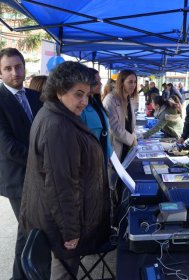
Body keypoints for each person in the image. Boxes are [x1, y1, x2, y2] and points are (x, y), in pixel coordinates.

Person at [19, 61, 110, 280]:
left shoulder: (55, 114)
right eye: (79, 94)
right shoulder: (58, 126)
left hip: (54, 218)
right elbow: (62, 185)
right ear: (60, 91)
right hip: (61, 225)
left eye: (87, 94)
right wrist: (70, 231)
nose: (84, 102)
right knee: (63, 274)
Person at [0, 47, 43, 280]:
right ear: (0, 73)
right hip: (18, 178)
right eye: (8, 68)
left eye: (18, 66)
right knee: (28, 230)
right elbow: (8, 147)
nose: (15, 72)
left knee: (26, 231)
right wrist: (43, 161)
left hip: (39, 176)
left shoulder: (36, 97)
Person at [103, 70, 137, 162]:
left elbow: (131, 124)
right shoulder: (110, 100)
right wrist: (132, 139)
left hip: (127, 148)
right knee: (114, 175)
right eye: (130, 82)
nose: (133, 85)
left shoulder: (128, 99)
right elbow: (114, 128)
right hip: (115, 149)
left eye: (135, 82)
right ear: (121, 82)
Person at [81, 68, 112, 165]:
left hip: (103, 156)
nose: (100, 84)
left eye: (100, 81)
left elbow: (105, 133)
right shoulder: (81, 108)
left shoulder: (96, 103)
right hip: (90, 161)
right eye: (97, 81)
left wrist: (110, 154)